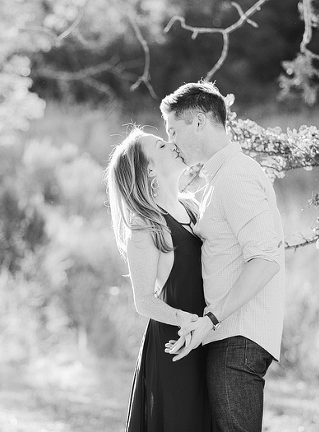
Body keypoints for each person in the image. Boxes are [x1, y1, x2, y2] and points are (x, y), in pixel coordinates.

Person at [162, 81, 287, 432]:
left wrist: (210, 319)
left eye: (174, 129)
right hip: (229, 336)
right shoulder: (218, 179)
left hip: (237, 337)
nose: (171, 141)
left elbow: (265, 259)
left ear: (200, 122)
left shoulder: (236, 176)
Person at [106, 128, 212, 432]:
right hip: (174, 348)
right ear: (150, 168)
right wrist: (187, 321)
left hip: (205, 339)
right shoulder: (146, 226)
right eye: (162, 145)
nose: (173, 145)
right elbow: (144, 301)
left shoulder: (192, 209)